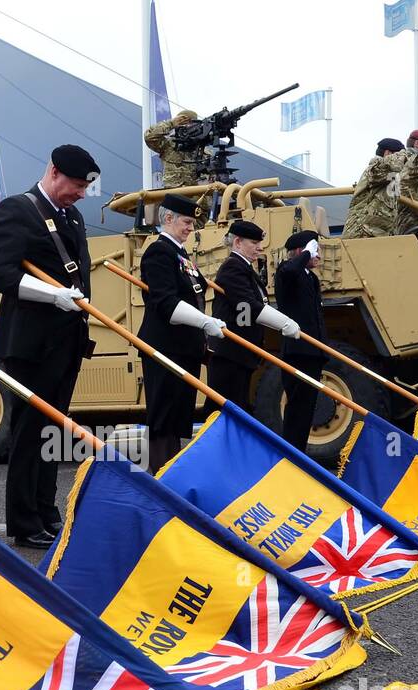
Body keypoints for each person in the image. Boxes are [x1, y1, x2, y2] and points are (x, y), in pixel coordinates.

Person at [0, 145, 99, 549]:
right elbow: (0, 273)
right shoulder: (18, 209)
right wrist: (53, 296)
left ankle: (47, 513)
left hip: (66, 342)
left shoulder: (72, 216)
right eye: (76, 184)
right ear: (53, 171)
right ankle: (23, 520)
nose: (82, 193)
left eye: (86, 186)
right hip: (31, 344)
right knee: (29, 432)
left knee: (54, 433)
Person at [137, 193, 224, 473]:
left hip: (183, 346)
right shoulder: (159, 251)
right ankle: (161, 476)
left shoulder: (179, 253)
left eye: (192, 223)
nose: (191, 228)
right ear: (169, 218)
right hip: (164, 346)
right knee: (164, 415)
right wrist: (204, 321)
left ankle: (172, 473)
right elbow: (166, 302)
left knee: (177, 415)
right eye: (186, 222)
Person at [210, 219, 301, 411]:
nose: (260, 248)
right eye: (254, 243)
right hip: (231, 352)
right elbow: (248, 305)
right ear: (237, 242)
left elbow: (249, 308)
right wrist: (284, 323)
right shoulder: (233, 267)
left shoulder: (244, 268)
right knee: (225, 411)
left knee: (237, 409)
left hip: (241, 352)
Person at [275, 231, 330, 449]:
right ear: (300, 251)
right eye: (316, 250)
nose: (319, 256)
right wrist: (307, 253)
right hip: (298, 352)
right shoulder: (287, 272)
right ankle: (291, 451)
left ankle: (299, 449)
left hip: (313, 353)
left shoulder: (311, 278)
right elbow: (289, 271)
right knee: (297, 407)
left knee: (307, 408)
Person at [342, 138, 406, 239]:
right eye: (398, 156)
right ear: (388, 153)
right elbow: (387, 168)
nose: (403, 161)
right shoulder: (376, 168)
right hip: (361, 233)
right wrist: (404, 154)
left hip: (376, 234)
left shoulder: (391, 176)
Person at [143, 109, 201, 189]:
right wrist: (171, 123)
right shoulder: (169, 144)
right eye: (183, 124)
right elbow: (149, 137)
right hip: (174, 193)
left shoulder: (203, 149)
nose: (187, 127)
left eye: (191, 124)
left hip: (199, 196)